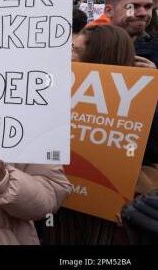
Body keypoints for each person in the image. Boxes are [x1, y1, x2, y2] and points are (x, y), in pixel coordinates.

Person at [52, 24, 144, 244]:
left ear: (99, 58)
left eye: (76, 51)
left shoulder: (142, 102)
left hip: (104, 211)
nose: (69, 56)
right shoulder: (55, 89)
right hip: (60, 201)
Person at [104, 0, 157, 68]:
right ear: (109, 11)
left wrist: (154, 78)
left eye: (148, 6)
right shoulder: (87, 46)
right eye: (132, 6)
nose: (143, 13)